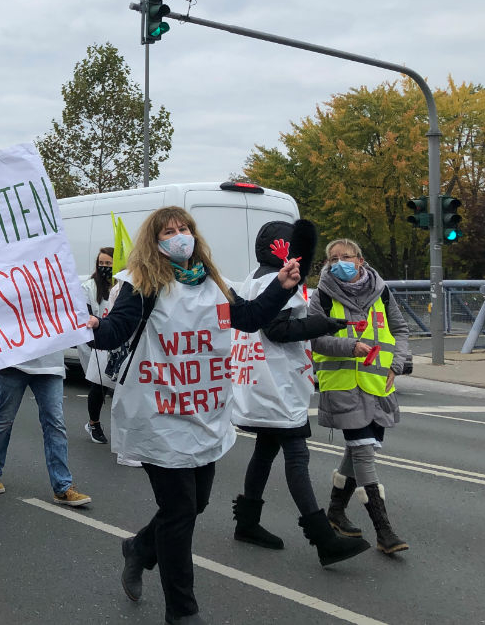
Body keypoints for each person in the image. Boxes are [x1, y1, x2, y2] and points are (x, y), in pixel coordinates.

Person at [87, 206, 300, 625]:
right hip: (158, 415)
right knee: (181, 510)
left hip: (203, 412)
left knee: (195, 503)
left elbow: (250, 317)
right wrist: (91, 324)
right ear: (155, 241)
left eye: (184, 228)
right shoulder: (142, 284)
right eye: (169, 231)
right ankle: (182, 612)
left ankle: (140, 548)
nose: (179, 236)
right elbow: (115, 332)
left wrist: (281, 285)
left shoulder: (213, 283)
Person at [228, 221, 371, 566]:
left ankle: (247, 522)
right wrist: (323, 324)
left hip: (260, 381)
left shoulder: (254, 278)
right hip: (278, 383)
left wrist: (328, 325)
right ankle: (322, 537)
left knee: (264, 452)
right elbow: (278, 330)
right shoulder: (279, 281)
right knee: (297, 456)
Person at [310, 238, 410, 555]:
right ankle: (384, 531)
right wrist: (349, 347)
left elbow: (401, 329)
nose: (339, 261)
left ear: (360, 260)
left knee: (357, 451)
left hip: (378, 386)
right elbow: (315, 338)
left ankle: (335, 512)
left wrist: (398, 363)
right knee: (364, 452)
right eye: (333, 258)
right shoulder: (323, 295)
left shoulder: (382, 291)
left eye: (346, 256)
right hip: (342, 385)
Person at [0, 351, 92, 507]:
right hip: (14, 362)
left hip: (50, 365)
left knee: (55, 424)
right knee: (4, 419)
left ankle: (62, 487)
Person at [80, 246, 115, 444]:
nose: (104, 267)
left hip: (120, 341)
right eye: (101, 264)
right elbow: (84, 312)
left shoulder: (124, 284)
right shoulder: (90, 286)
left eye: (108, 264)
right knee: (99, 386)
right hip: (100, 341)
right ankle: (94, 423)